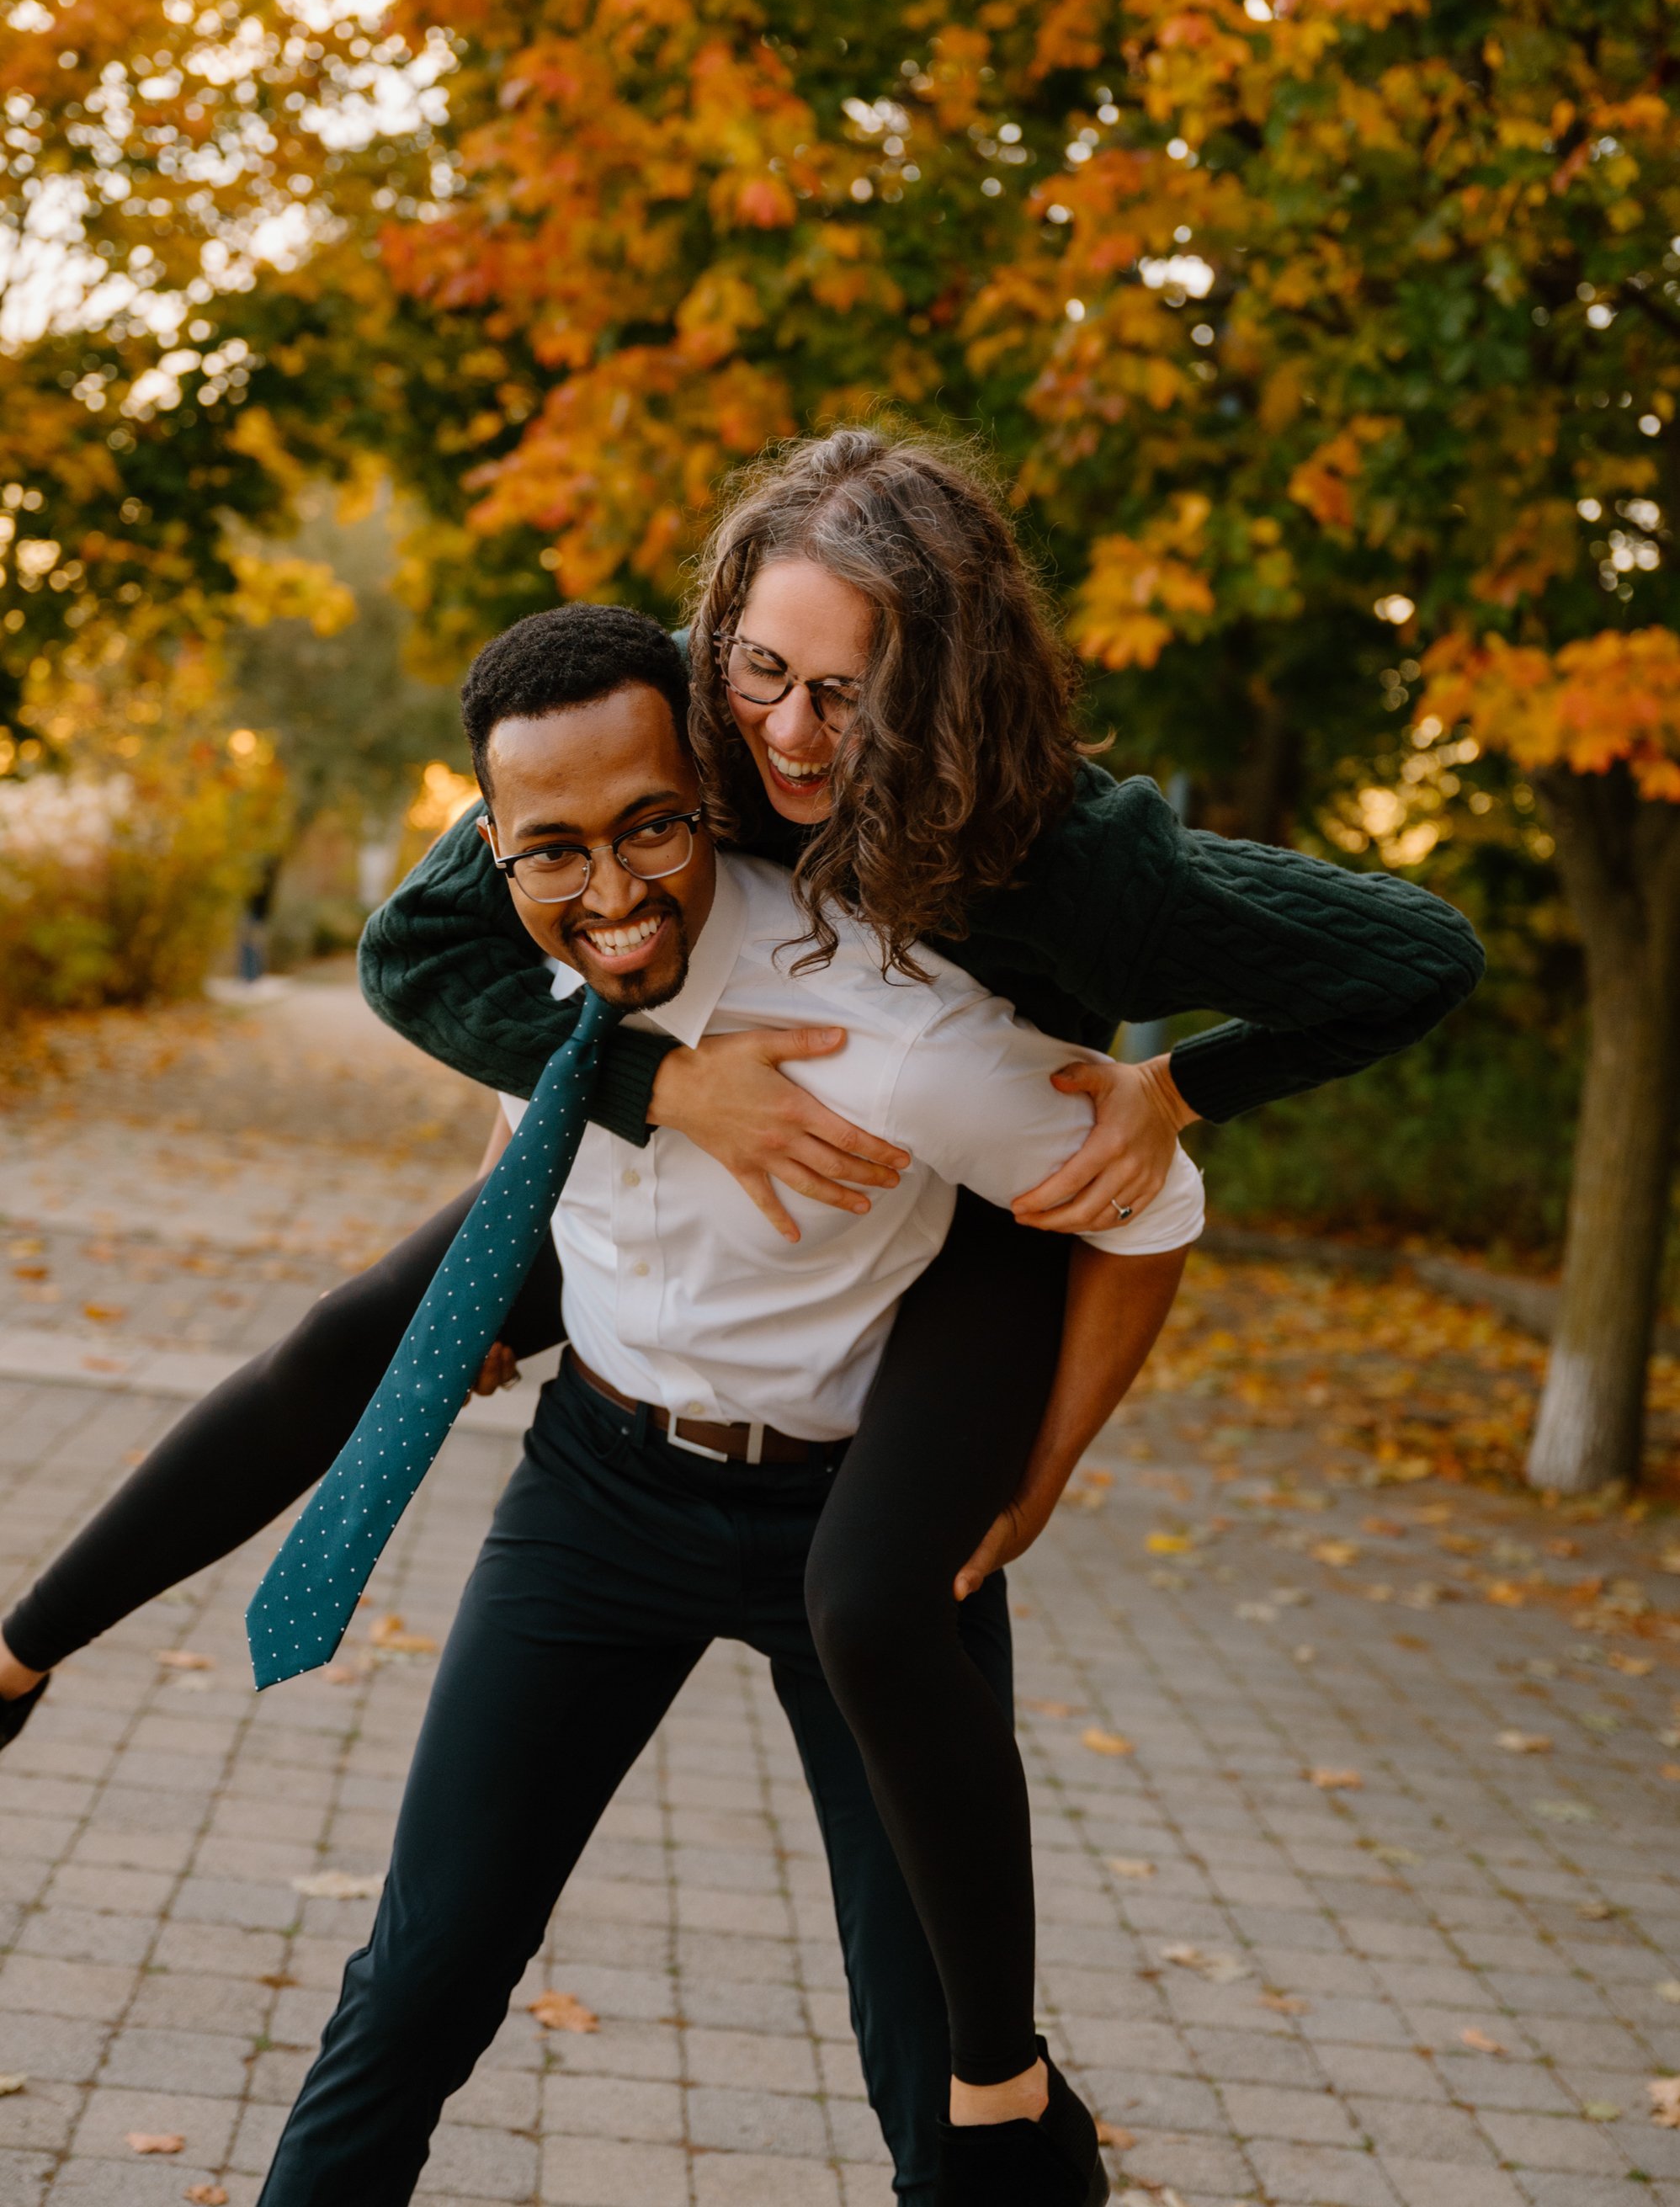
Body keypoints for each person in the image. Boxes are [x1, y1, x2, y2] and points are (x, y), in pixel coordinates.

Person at [0, 428, 1482, 2180]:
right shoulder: (642, 771)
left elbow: (1352, 1008)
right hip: (616, 1422)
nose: (785, 734)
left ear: (935, 696)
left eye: (843, 698)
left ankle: (999, 2089)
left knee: (939, 2048)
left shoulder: (1042, 888)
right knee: (363, 1375)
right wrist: (661, 1087)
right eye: (759, 676)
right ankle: (20, 1650)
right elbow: (434, 943)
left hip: (916, 1325)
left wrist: (1174, 1102)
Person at [257, 604, 1196, 2206]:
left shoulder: (893, 1027)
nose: (608, 887)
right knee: (416, 1983)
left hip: (863, 1545)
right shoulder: (556, 931)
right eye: (551, 847)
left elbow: (1149, 1198)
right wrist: (506, 1268)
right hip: (599, 1494)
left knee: (949, 2059)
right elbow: (516, 1107)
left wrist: (1035, 1480)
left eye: (648, 825)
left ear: (704, 786)